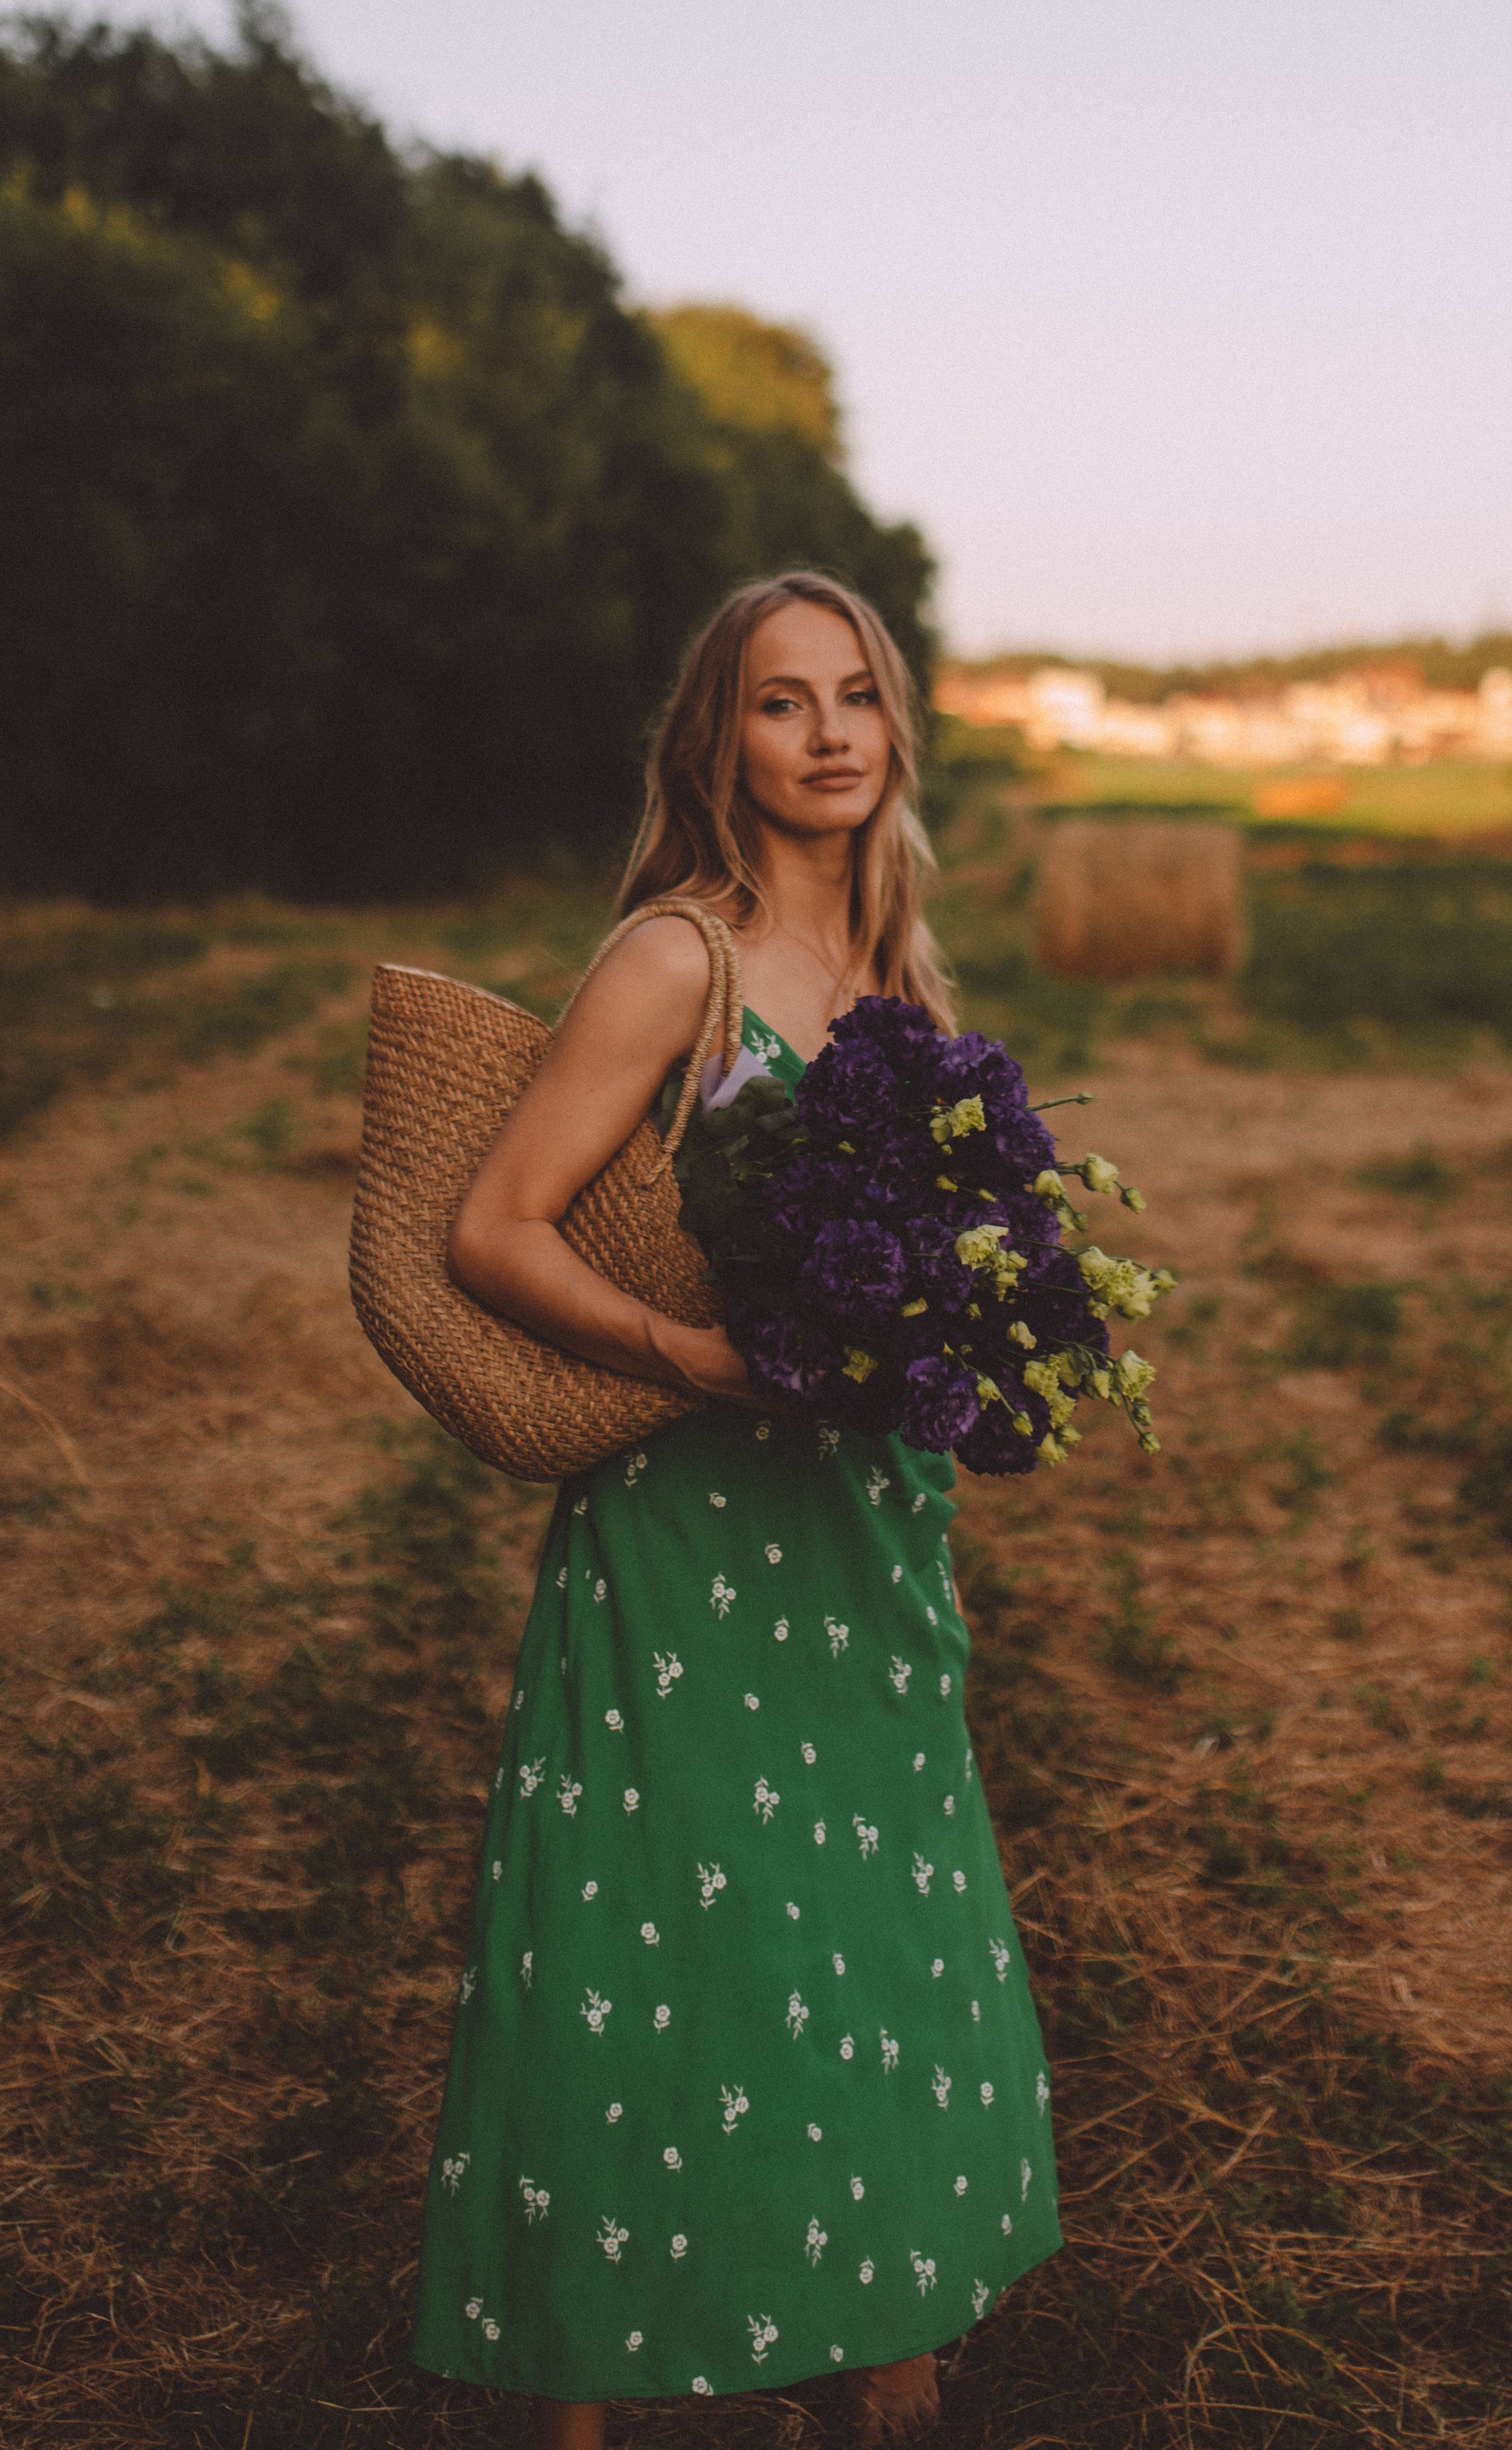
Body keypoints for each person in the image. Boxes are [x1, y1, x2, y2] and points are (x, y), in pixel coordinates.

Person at [408, 573, 1060, 2445]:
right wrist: (681, 1358)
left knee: (879, 1949)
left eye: (857, 696)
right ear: (723, 740)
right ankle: (593, 2388)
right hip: (691, 1539)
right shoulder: (673, 962)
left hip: (863, 1535)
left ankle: (866, 2351)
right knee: (667, 1959)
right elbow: (491, 1227)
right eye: (785, 703)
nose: (831, 733)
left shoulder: (901, 974)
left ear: (894, 728)